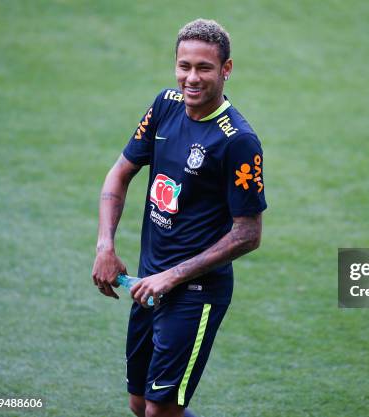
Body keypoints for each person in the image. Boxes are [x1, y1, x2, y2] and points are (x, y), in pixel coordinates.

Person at [91, 18, 267, 417]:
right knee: (140, 403)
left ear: (226, 69)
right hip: (148, 282)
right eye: (184, 66)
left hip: (195, 292)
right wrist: (105, 246)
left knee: (160, 409)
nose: (192, 78)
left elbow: (248, 233)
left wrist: (172, 276)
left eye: (204, 68)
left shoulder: (238, 141)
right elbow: (119, 174)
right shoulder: (165, 106)